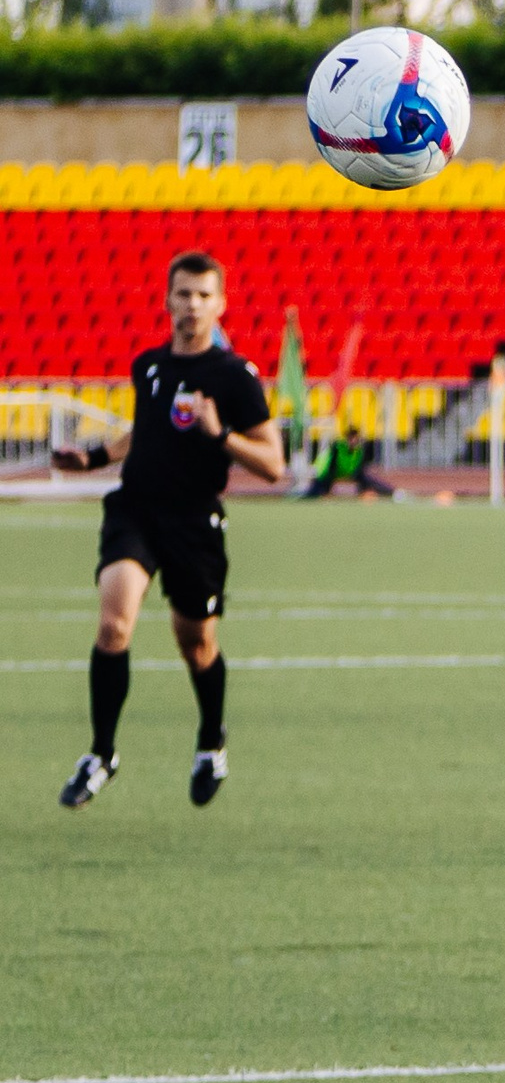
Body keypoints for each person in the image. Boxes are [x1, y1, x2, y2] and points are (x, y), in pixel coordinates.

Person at [52, 251, 286, 810]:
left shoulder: (235, 377)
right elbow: (144, 433)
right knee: (114, 623)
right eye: (183, 294)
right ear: (167, 300)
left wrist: (219, 432)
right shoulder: (149, 366)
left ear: (221, 304)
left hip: (194, 521)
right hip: (136, 510)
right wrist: (91, 459)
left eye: (205, 296)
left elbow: (274, 464)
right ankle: (101, 753)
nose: (193, 305)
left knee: (197, 644)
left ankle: (211, 741)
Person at [300, 433, 396, 500]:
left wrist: (362, 488)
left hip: (351, 473)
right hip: (333, 473)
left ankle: (392, 492)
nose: (353, 441)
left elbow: (360, 468)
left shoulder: (359, 451)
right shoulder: (338, 448)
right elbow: (331, 467)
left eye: (355, 439)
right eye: (351, 439)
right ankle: (308, 495)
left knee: (368, 479)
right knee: (315, 491)